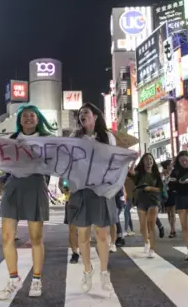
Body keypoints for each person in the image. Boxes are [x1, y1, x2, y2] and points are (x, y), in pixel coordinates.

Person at [0, 105, 55, 300]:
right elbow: (4, 164)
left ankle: (36, 279)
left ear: (38, 120)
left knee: (36, 238)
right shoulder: (11, 140)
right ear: (19, 120)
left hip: (35, 185)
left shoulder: (47, 140)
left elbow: (55, 162)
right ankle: (13, 279)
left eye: (32, 115)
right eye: (25, 116)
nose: (28, 118)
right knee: (6, 237)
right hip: (13, 186)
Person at [66, 103, 118, 294]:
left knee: (102, 235)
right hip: (80, 189)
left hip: (100, 190)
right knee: (83, 234)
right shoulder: (75, 137)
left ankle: (104, 273)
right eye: (80, 114)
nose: (82, 116)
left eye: (85, 113)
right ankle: (88, 270)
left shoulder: (107, 136)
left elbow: (114, 160)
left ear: (95, 116)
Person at [128, 153, 164, 258]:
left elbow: (161, 189)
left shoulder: (156, 174)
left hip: (153, 201)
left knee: (151, 224)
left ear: (153, 161)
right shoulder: (140, 173)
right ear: (143, 162)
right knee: (143, 227)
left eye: (150, 159)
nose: (149, 161)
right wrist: (134, 159)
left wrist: (150, 188)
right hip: (141, 201)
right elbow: (130, 172)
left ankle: (152, 249)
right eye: (146, 159)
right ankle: (146, 242)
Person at [162, 160, 177, 238]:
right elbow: (162, 183)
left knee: (173, 213)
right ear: (167, 166)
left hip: (173, 194)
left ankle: (173, 230)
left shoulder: (175, 173)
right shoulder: (163, 174)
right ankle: (172, 229)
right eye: (170, 164)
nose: (172, 166)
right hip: (166, 194)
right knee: (168, 213)